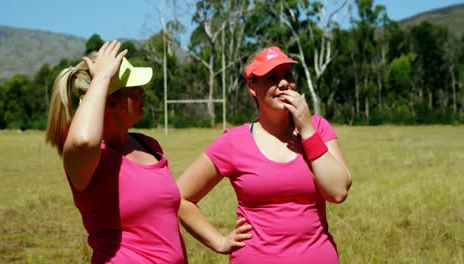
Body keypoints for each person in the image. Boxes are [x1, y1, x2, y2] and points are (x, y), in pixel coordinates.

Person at [177, 46, 352, 263]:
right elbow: (181, 197)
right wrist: (219, 242)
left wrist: (307, 130)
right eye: (272, 77)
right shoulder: (234, 141)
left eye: (288, 75)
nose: (284, 83)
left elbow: (338, 192)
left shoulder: (318, 128)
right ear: (253, 87)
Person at [45, 41, 186, 263]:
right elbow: (83, 140)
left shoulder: (148, 145)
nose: (143, 92)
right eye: (133, 88)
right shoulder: (87, 157)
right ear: (109, 101)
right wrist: (102, 78)